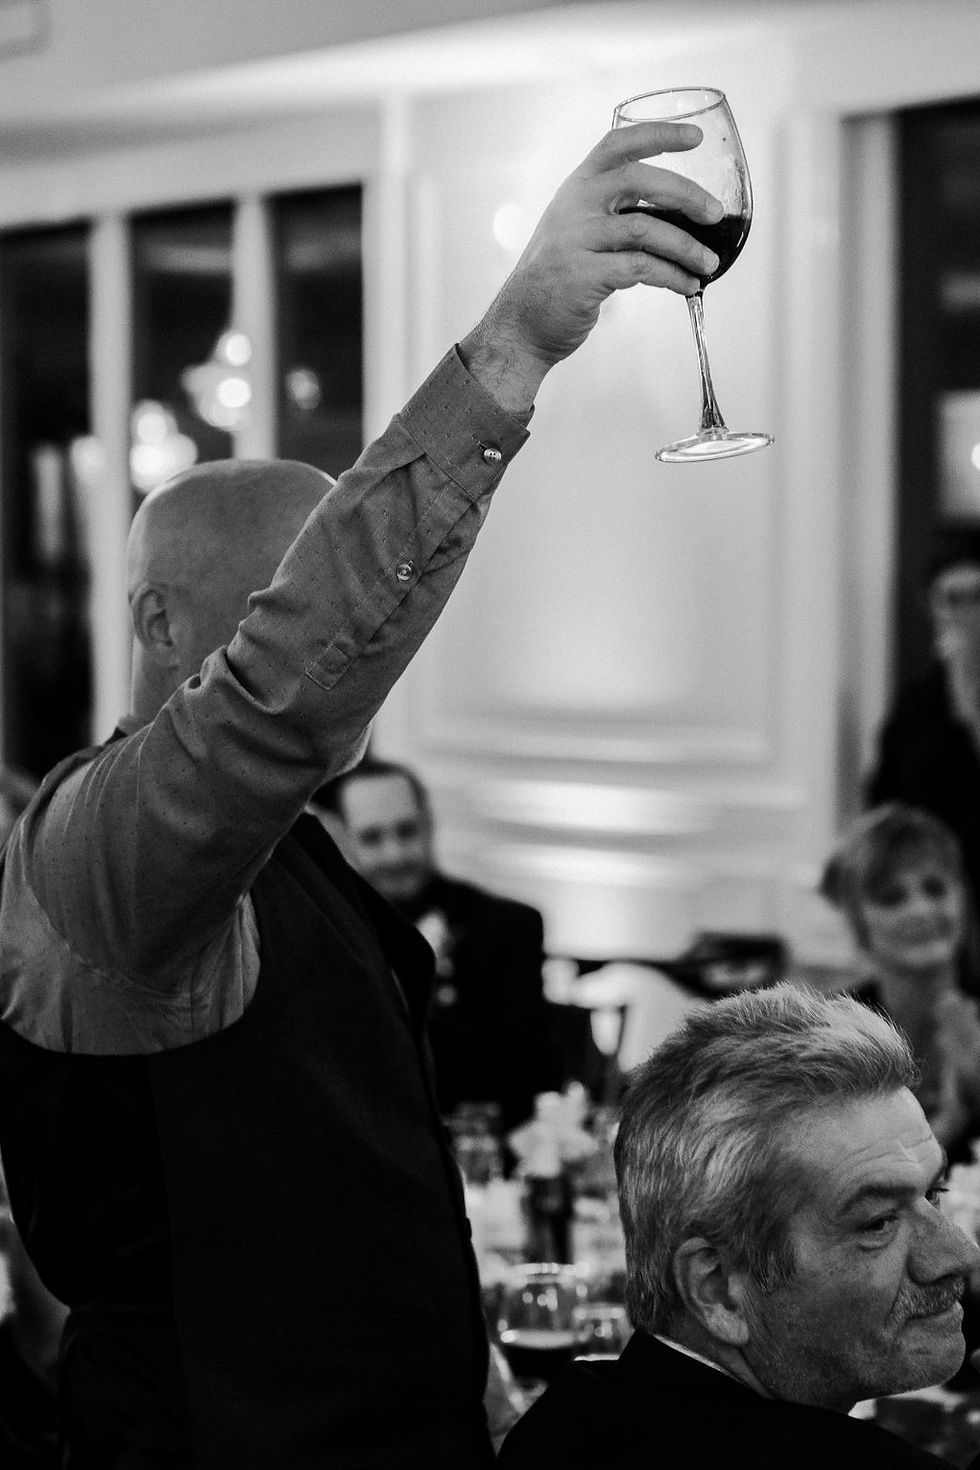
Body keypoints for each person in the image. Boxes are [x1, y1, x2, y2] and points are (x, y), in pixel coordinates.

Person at [0, 121, 725, 1468]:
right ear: (162, 619)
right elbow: (287, 681)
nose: (356, 629)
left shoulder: (286, 840)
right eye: (299, 582)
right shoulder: (98, 838)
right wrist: (513, 343)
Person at [497, 984, 980, 1469]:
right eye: (878, 1223)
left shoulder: (552, 1427)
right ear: (718, 1289)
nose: (959, 1253)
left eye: (933, 1195)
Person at [312, 757, 554, 1131]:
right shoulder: (326, 937)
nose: (394, 854)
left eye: (406, 831)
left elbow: (520, 1075)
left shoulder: (507, 928)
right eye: (372, 838)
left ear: (428, 824)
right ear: (343, 839)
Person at [821, 802, 980, 1161]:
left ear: (963, 901)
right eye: (892, 898)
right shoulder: (832, 1034)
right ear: (859, 924)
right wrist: (952, 1120)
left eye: (935, 888)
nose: (920, 909)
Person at [867, 548, 980, 919]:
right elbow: (886, 792)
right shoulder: (918, 697)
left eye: (976, 597)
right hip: (933, 882)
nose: (965, 613)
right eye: (951, 599)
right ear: (933, 607)